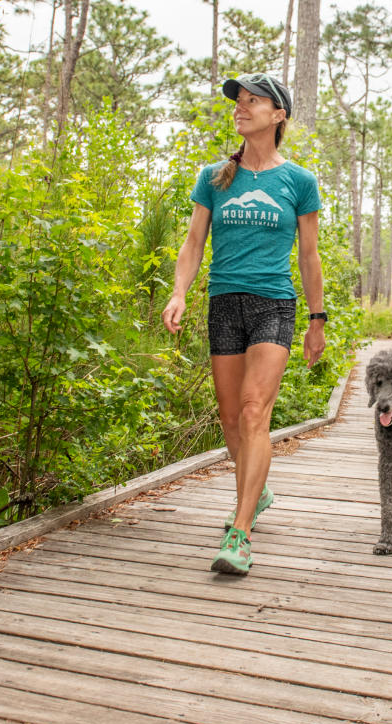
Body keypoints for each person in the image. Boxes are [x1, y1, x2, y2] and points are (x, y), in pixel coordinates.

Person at [162, 72, 326, 576]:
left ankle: (240, 532)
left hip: (274, 304)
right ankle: (258, 488)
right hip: (223, 304)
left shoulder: (298, 181)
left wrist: (317, 320)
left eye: (254, 101)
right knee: (231, 420)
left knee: (256, 412)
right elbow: (193, 244)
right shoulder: (215, 177)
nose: (241, 107)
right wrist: (179, 291)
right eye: (239, 101)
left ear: (278, 116)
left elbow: (310, 255)